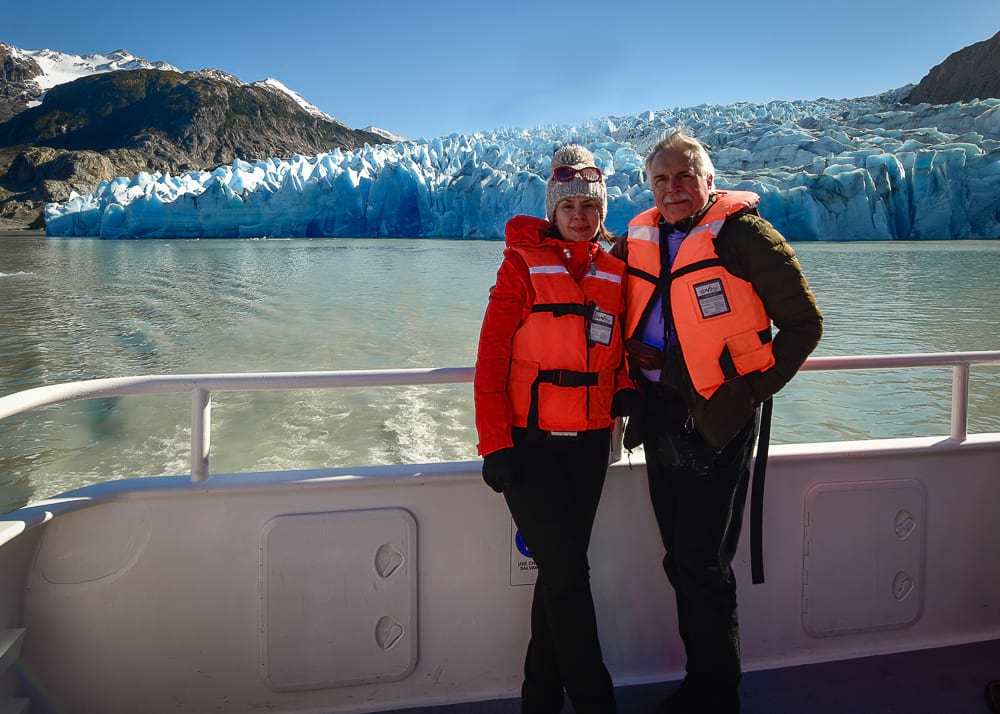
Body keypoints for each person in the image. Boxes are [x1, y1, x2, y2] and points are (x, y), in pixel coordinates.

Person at [613, 129, 822, 713]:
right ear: (650, 186)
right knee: (681, 557)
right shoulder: (641, 237)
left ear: (709, 180)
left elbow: (805, 326)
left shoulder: (744, 236)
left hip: (715, 419)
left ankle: (715, 692)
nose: (674, 188)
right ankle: (702, 682)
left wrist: (747, 391)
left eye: (684, 177)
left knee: (703, 561)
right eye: (662, 179)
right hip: (659, 417)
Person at [474, 144, 634, 714]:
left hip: (589, 446)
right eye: (569, 205)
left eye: (590, 206)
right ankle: (597, 702)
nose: (580, 216)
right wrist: (495, 443)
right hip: (530, 447)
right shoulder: (520, 264)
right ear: (553, 209)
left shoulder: (616, 271)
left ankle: (538, 699)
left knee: (558, 579)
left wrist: (630, 395)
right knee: (568, 576)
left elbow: (621, 353)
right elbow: (492, 358)